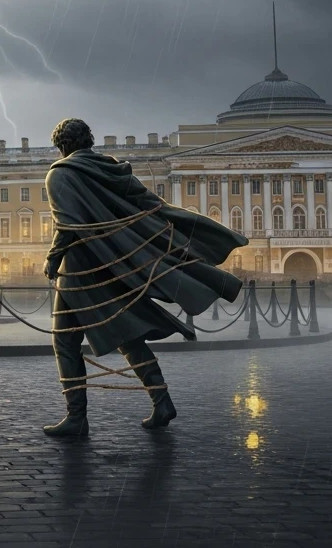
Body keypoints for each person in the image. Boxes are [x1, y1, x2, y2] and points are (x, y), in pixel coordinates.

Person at [41, 118, 246, 438]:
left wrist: (53, 260)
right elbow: (153, 207)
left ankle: (76, 417)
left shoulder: (60, 173)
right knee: (127, 333)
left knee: (65, 341)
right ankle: (161, 401)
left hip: (80, 271)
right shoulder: (111, 168)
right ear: (89, 140)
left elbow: (68, 225)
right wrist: (187, 241)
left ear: (62, 146)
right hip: (115, 265)